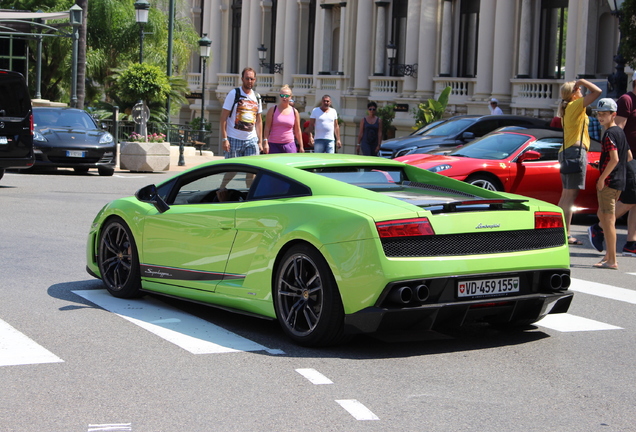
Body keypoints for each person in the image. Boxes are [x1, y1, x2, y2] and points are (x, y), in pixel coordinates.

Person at [585, 98, 632, 270]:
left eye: (604, 114)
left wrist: (602, 177)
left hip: (610, 182)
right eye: (599, 114)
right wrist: (603, 165)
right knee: (605, 218)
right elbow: (629, 157)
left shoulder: (609, 134)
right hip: (620, 180)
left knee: (608, 220)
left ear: (614, 115)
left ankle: (612, 260)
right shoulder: (619, 132)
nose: (600, 117)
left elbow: (615, 159)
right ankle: (608, 256)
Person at [555, 79, 602, 245]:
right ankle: (564, 234)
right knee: (570, 195)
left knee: (566, 195)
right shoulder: (574, 105)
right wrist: (582, 81)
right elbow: (597, 92)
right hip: (575, 152)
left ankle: (561, 232)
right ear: (574, 93)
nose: (582, 91)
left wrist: (579, 84)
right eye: (579, 89)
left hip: (568, 152)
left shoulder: (568, 108)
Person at [614, 71, 636, 256]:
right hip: (630, 157)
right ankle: (599, 226)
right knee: (630, 198)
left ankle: (631, 243)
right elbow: (618, 129)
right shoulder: (626, 99)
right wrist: (625, 152)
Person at [219, 67, 263, 158]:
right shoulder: (234, 94)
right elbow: (223, 118)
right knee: (232, 171)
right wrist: (224, 139)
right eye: (247, 78)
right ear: (242, 79)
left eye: (252, 79)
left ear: (255, 80)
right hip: (234, 139)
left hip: (251, 139)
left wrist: (260, 141)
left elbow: (259, 121)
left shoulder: (257, 97)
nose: (249, 81)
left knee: (252, 169)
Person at [263, 85, 304, 154]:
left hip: (289, 144)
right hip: (273, 144)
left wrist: (301, 146)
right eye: (282, 95)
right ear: (279, 96)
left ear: (290, 97)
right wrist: (265, 143)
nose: (284, 98)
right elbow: (267, 127)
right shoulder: (273, 109)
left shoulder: (294, 111)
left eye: (286, 96)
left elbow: (298, 130)